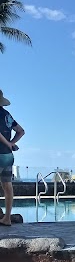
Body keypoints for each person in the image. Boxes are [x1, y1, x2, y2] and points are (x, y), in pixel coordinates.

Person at [0, 91, 25, 226]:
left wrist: (8, 143)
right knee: (7, 186)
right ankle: (7, 218)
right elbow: (21, 131)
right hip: (8, 156)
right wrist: (11, 143)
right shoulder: (7, 115)